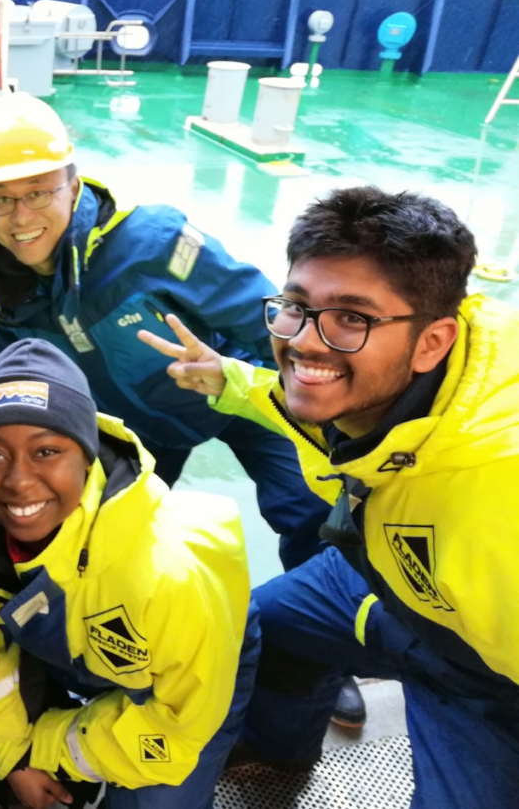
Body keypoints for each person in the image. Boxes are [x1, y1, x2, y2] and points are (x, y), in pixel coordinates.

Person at [0, 92, 363, 727]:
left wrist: (282, 386)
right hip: (146, 429)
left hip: (232, 389)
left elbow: (269, 315)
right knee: (115, 546)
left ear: (73, 183)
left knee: (313, 516)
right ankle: (133, 663)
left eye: (39, 192)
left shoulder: (153, 241)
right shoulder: (13, 300)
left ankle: (325, 662)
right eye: (3, 200)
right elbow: (18, 390)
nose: (21, 217)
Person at [140, 186, 519, 807]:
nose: (308, 343)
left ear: (433, 341)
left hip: (490, 682)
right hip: (391, 585)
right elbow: (311, 402)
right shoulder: (379, 387)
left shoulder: (498, 491)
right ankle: (280, 747)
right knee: (258, 624)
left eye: (354, 317)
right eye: (297, 306)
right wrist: (229, 379)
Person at [0, 338, 261, 809]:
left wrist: (42, 747)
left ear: (88, 453)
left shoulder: (166, 576)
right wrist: (12, 758)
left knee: (156, 793)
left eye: (46, 452)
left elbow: (173, 728)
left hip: (184, 672)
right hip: (65, 646)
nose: (18, 481)